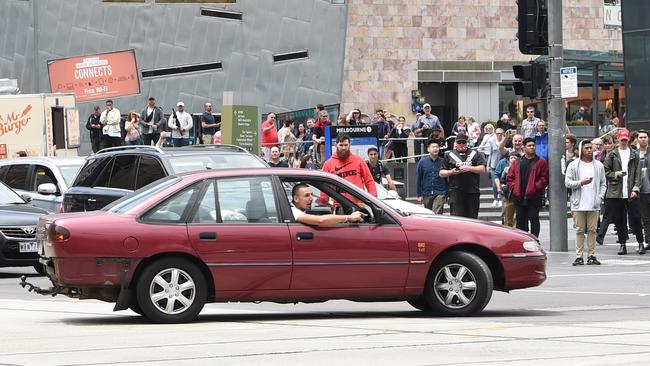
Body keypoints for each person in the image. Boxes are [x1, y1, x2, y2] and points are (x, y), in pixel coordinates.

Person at [565, 140, 607, 266]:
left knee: (593, 230)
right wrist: (580, 183)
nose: (589, 150)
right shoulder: (573, 165)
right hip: (578, 204)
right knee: (579, 230)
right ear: (581, 149)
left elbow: (603, 183)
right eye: (586, 148)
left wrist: (600, 197)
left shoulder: (599, 165)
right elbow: (567, 182)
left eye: (590, 148)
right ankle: (579, 256)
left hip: (594, 204)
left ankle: (592, 255)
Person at [604, 128, 644, 255]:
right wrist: (616, 174)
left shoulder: (634, 154)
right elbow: (605, 171)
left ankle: (640, 243)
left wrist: (636, 189)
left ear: (629, 140)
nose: (624, 142)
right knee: (619, 219)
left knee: (636, 218)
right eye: (622, 140)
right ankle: (622, 244)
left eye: (626, 140)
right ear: (618, 139)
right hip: (617, 192)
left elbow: (638, 174)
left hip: (631, 191)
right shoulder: (612, 154)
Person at [506, 137, 549, 237]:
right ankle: (522, 241)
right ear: (524, 147)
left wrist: (534, 187)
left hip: (534, 197)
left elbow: (545, 179)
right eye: (529, 146)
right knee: (521, 221)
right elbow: (510, 177)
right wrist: (515, 187)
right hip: (519, 196)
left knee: (534, 219)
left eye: (533, 145)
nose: (532, 147)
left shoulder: (541, 162)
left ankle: (534, 239)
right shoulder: (517, 162)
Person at [439, 133, 487, 218]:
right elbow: (441, 173)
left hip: (472, 191)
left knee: (472, 217)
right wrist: (451, 172)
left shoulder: (475, 153)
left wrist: (469, 168)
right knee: (457, 218)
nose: (461, 144)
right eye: (459, 142)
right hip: (455, 191)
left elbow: (483, 169)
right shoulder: (449, 154)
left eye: (463, 142)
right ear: (455, 143)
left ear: (467, 143)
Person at [291, 183, 365, 226]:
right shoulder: (294, 212)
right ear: (296, 199)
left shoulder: (295, 210)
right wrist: (349, 217)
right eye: (306, 195)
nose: (311, 198)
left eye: (311, 195)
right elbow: (320, 220)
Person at [416, 140, 448, 214]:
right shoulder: (422, 162)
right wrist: (419, 194)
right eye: (433, 147)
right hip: (427, 193)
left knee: (436, 214)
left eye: (437, 147)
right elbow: (418, 178)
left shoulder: (443, 161)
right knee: (429, 215)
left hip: (440, 192)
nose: (435, 149)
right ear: (428, 149)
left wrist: (447, 194)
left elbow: (447, 178)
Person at [478, 124, 501, 207]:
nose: (488, 130)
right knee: (494, 182)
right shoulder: (486, 137)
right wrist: (488, 166)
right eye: (487, 128)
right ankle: (496, 199)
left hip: (500, 162)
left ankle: (500, 198)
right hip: (491, 161)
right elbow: (489, 152)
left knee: (501, 182)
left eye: (490, 128)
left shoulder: (499, 140)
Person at [495, 152, 518, 227]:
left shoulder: (520, 168)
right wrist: (503, 187)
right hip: (508, 194)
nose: (513, 159)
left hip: (517, 193)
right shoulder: (506, 169)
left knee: (516, 215)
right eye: (511, 158)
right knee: (508, 213)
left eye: (515, 158)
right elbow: (502, 181)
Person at [637, 130, 650, 252]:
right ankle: (648, 241)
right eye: (641, 137)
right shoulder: (634, 154)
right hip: (641, 191)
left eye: (645, 137)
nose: (643, 139)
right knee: (645, 218)